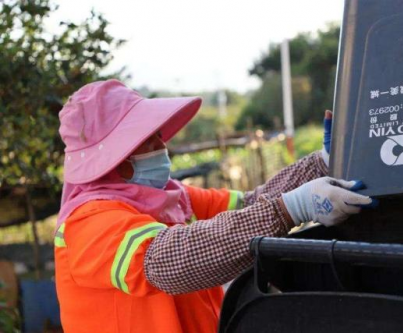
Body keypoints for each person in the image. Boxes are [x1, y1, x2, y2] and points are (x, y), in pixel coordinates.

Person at [54, 79, 374, 333]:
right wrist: (290, 209)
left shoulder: (171, 197)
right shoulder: (88, 221)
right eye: (146, 140)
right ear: (112, 158)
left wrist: (321, 163)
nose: (162, 145)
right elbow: (165, 261)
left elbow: (250, 204)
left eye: (157, 135)